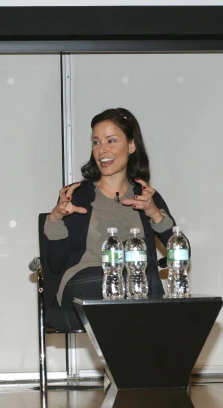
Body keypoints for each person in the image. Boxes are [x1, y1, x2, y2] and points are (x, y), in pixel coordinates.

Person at [43, 108, 181, 317]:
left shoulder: (146, 196)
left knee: (144, 279)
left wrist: (155, 213)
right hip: (86, 280)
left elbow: (178, 253)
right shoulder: (76, 195)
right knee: (123, 281)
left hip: (137, 282)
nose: (101, 150)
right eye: (96, 142)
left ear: (132, 145)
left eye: (111, 141)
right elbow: (54, 265)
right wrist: (55, 218)